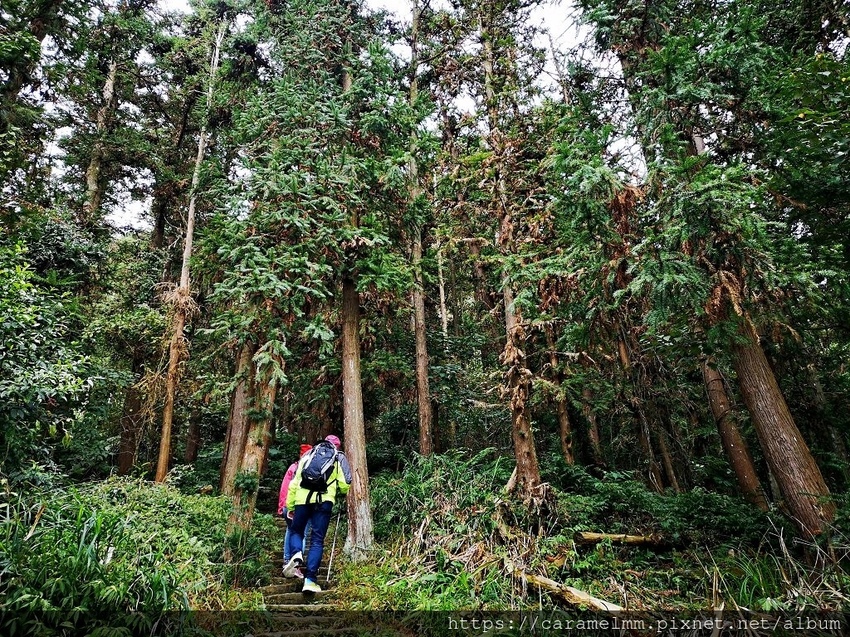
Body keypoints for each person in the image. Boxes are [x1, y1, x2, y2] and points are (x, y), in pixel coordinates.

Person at [283, 434, 351, 593]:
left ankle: (296, 554)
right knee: (317, 540)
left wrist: (290, 506)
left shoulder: (309, 455)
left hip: (302, 499)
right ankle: (310, 580)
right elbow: (345, 483)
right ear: (337, 446)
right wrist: (337, 491)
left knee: (296, 530)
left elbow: (294, 482)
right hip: (324, 502)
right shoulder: (338, 457)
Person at [277, 444, 312, 578]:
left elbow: (285, 487)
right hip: (301, 506)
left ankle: (286, 561)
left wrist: (282, 506)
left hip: (288, 505)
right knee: (300, 533)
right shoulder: (309, 469)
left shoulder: (293, 467)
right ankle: (296, 564)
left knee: (290, 530)